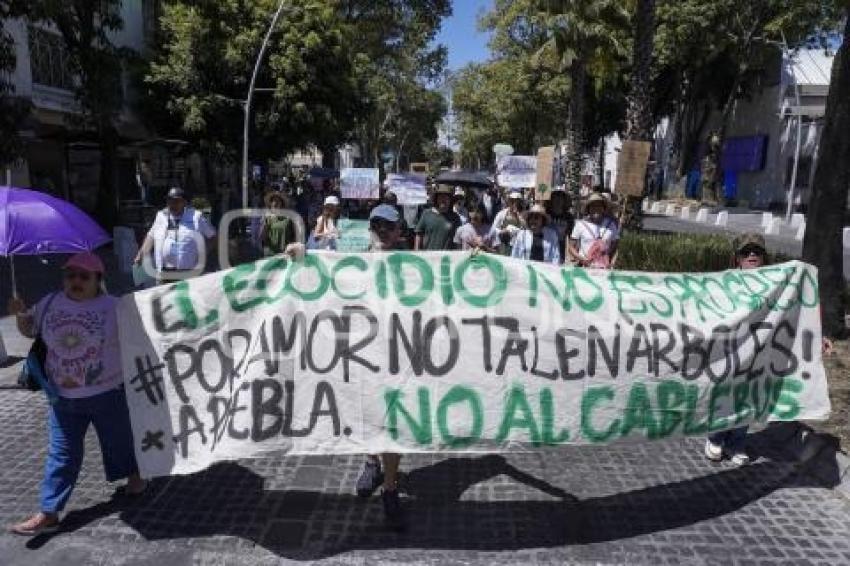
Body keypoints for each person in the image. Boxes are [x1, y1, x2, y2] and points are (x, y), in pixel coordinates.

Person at [7, 253, 146, 536]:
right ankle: (49, 512)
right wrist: (19, 315)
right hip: (62, 398)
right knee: (62, 454)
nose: (76, 281)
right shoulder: (48, 303)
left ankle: (135, 478)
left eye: (85, 276)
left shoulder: (115, 307)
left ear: (98, 280)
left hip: (108, 393)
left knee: (119, 443)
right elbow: (29, 331)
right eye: (71, 275)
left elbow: (142, 335)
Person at [133, 187, 217, 282]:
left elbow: (213, 237)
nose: (172, 205)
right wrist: (141, 254)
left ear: (184, 202)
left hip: (188, 272)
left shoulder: (196, 217)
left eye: (176, 201)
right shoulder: (161, 216)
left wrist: (202, 254)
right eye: (169, 201)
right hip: (164, 272)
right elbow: (151, 236)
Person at [568, 192, 619, 268]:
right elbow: (571, 247)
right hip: (584, 267)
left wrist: (611, 262)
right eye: (593, 206)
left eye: (599, 206)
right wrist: (581, 259)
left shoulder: (611, 225)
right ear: (588, 208)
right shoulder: (580, 224)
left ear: (603, 208)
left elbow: (615, 246)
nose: (596, 208)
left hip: (604, 269)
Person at [414, 185, 461, 251]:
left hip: (447, 258)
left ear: (450, 200)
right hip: (427, 256)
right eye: (441, 197)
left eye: (446, 197)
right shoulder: (426, 213)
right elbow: (418, 235)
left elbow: (458, 239)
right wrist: (416, 252)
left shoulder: (455, 217)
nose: (443, 200)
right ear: (436, 199)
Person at [259, 191, 296, 257]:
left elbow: (294, 235)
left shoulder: (289, 218)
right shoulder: (267, 218)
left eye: (277, 201)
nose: (275, 203)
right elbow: (261, 236)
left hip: (286, 252)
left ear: (281, 204)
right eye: (273, 201)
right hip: (271, 253)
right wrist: (264, 223)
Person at [492, 189, 525, 256]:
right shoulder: (501, 213)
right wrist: (501, 232)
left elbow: (525, 228)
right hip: (503, 243)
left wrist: (518, 215)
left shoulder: (524, 214)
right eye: (512, 200)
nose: (514, 203)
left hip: (517, 245)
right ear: (509, 201)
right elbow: (494, 228)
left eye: (516, 200)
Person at [546, 190, 575, 261]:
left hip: (561, 249)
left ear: (564, 200)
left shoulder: (569, 217)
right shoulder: (545, 214)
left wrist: (570, 255)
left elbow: (569, 237)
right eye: (555, 197)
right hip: (547, 247)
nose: (558, 200)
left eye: (560, 198)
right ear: (551, 199)